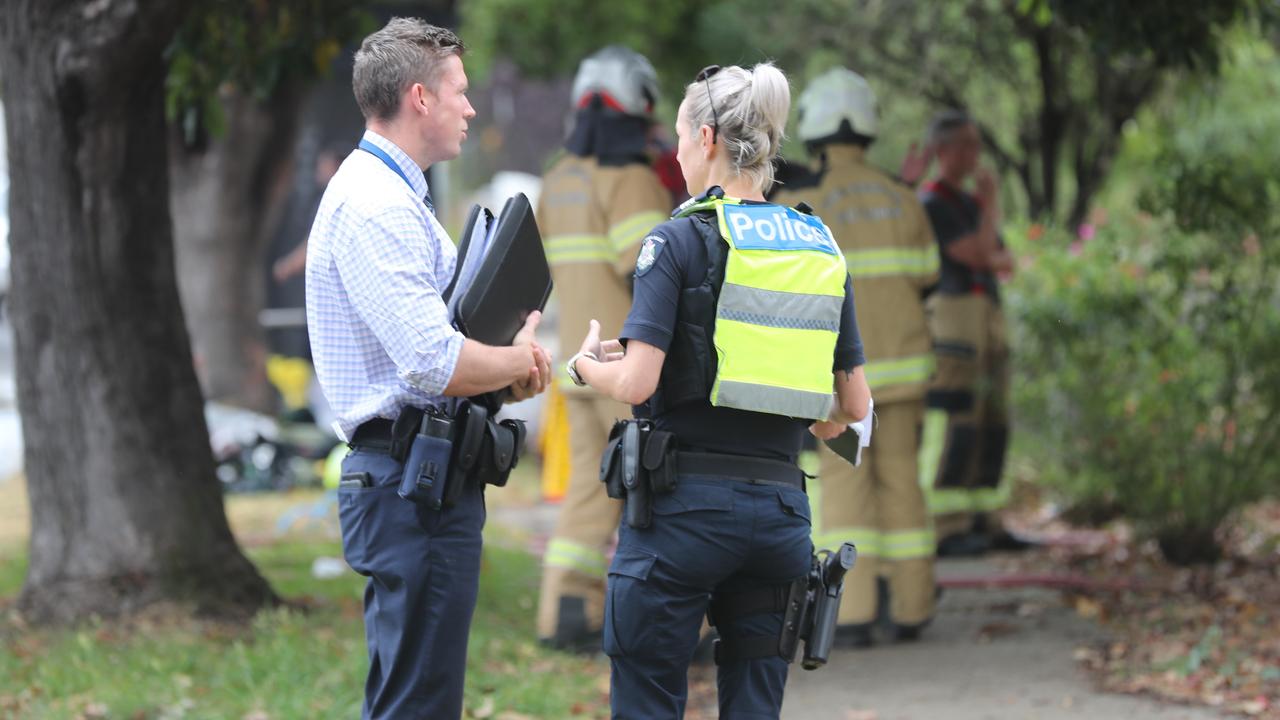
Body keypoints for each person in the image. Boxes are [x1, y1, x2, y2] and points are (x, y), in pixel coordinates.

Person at [567, 62, 871, 718]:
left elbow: (638, 381)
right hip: (782, 519)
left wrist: (588, 365)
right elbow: (852, 407)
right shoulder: (819, 247)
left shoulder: (674, 240)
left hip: (683, 518)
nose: (674, 151)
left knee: (648, 696)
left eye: (678, 135)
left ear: (706, 138)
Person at [305, 19, 551, 720]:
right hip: (410, 486)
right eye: (460, 92)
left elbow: (450, 336)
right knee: (418, 703)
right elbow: (430, 358)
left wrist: (509, 368)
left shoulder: (396, 196)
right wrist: (519, 360)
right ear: (420, 97)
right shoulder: (376, 206)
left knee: (417, 697)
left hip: (420, 478)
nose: (470, 108)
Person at [771, 67, 939, 646]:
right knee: (904, 486)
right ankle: (914, 607)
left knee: (846, 493)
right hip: (906, 376)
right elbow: (928, 276)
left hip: (842, 385)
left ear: (815, 132)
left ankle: (856, 614)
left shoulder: (802, 204)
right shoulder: (902, 198)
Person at [534, 46, 673, 652]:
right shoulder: (632, 180)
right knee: (666, 493)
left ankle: (566, 614)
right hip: (629, 371)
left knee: (591, 493)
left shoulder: (557, 180)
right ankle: (679, 628)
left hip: (577, 367)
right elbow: (653, 272)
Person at [917, 110, 1015, 556]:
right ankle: (948, 525)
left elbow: (1004, 260)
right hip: (956, 315)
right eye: (967, 145)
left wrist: (987, 243)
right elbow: (978, 253)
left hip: (988, 313)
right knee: (961, 415)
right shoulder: (933, 202)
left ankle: (985, 517)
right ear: (943, 150)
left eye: (978, 145)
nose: (976, 156)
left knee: (994, 415)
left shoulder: (970, 205)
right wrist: (991, 207)